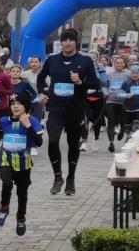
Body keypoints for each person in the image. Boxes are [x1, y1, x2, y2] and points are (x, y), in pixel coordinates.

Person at [37, 28, 100, 195]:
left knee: (73, 145)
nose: (67, 43)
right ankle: (58, 177)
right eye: (64, 40)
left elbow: (95, 84)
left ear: (75, 42)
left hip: (75, 109)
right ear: (61, 43)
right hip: (55, 108)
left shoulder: (85, 61)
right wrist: (41, 93)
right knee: (53, 141)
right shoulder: (52, 60)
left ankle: (71, 178)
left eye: (71, 40)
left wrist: (80, 82)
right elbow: (41, 77)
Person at [0, 91, 43, 236]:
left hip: (23, 162)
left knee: (22, 193)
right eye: (13, 104)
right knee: (7, 184)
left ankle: (21, 217)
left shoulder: (32, 121)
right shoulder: (4, 120)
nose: (16, 106)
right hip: (5, 159)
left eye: (19, 103)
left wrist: (27, 126)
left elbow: (39, 142)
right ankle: (3, 210)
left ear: (25, 106)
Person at [81, 51, 107, 152]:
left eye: (93, 58)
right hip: (85, 96)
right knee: (85, 119)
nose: (91, 60)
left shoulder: (100, 68)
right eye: (89, 58)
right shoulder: (82, 68)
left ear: (97, 58)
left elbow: (104, 82)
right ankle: (84, 142)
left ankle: (96, 139)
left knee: (97, 120)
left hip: (98, 96)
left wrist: (96, 70)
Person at [104, 56, 130, 152]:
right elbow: (105, 85)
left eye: (121, 63)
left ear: (124, 64)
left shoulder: (128, 73)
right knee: (111, 120)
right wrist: (105, 92)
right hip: (111, 100)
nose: (119, 64)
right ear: (114, 64)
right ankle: (111, 142)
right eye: (117, 63)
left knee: (122, 119)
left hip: (123, 100)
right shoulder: (110, 74)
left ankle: (122, 131)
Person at [121, 64, 139, 138]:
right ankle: (128, 136)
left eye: (137, 73)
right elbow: (119, 93)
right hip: (128, 107)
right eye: (133, 73)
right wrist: (126, 95)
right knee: (127, 125)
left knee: (136, 124)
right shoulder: (127, 82)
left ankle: (134, 137)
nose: (135, 75)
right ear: (130, 74)